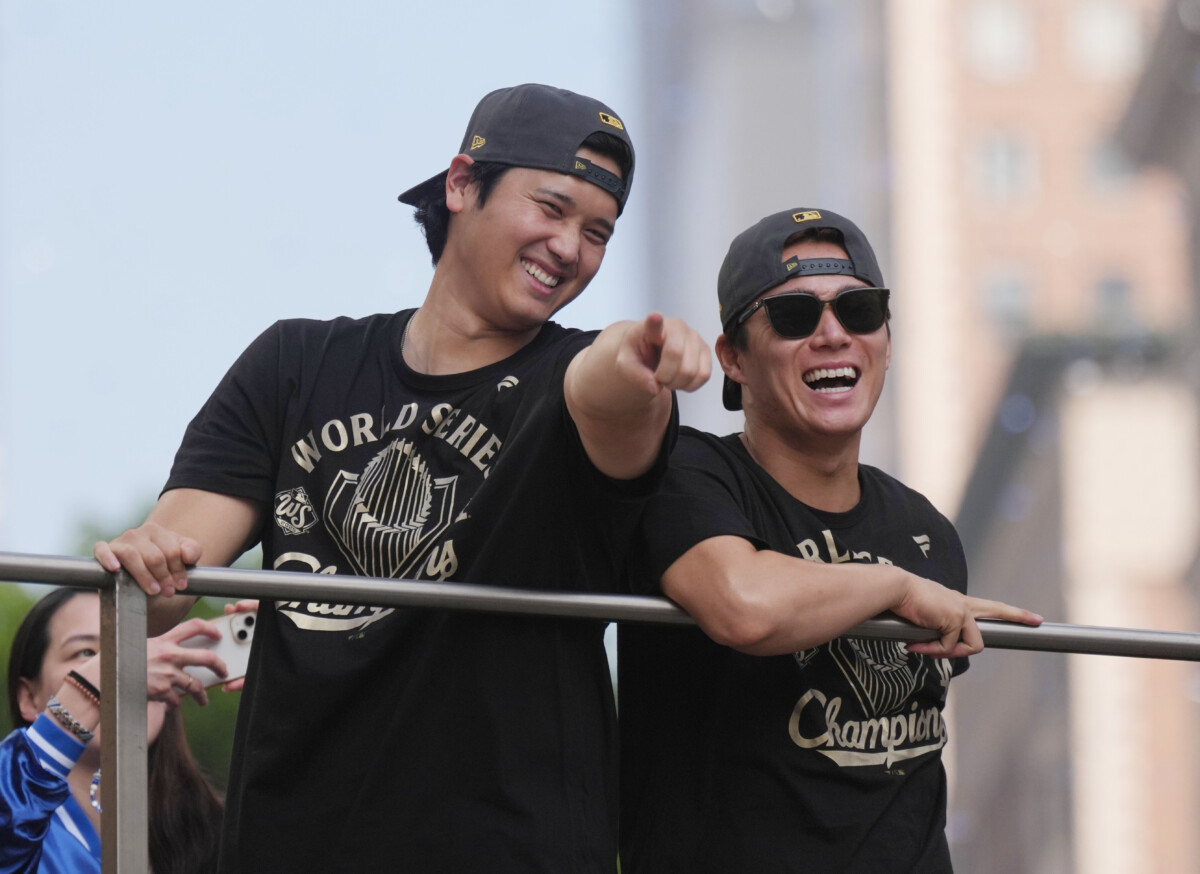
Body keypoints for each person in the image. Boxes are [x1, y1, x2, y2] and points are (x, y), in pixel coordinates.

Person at [93, 83, 710, 872]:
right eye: (551, 208)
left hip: (510, 848)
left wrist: (636, 355)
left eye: (598, 233)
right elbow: (173, 565)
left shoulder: (574, 372)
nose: (570, 248)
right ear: (461, 184)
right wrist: (150, 560)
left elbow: (607, 396)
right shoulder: (296, 364)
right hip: (294, 843)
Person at [617, 207, 1043, 873]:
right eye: (793, 317)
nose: (833, 334)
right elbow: (743, 605)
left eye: (860, 310)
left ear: (886, 339)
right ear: (735, 359)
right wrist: (894, 587)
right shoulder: (690, 476)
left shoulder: (924, 529)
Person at [1, 587, 226, 874]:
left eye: (140, 652)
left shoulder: (220, 828)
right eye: (86, 653)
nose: (132, 670)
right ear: (28, 697)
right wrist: (92, 687)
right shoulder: (13, 815)